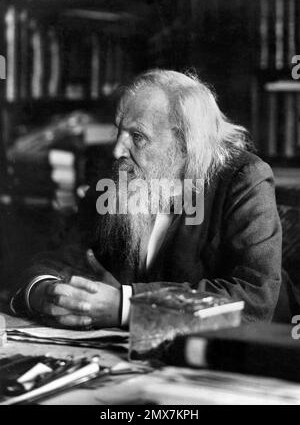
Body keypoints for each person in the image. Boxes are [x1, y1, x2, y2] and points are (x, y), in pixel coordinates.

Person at [10, 69, 282, 328]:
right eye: (119, 130)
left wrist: (126, 307)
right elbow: (57, 258)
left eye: (137, 136)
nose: (118, 150)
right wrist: (45, 294)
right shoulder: (118, 175)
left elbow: (254, 300)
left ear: (186, 142)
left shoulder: (245, 179)